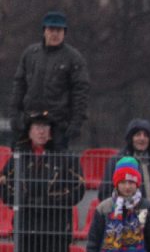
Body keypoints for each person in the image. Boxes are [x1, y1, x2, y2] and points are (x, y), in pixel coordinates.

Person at [0, 111, 85, 252]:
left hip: (56, 229)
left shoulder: (65, 157)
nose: (41, 131)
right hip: (27, 229)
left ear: (51, 132)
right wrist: (25, 201)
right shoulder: (19, 156)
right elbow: (4, 185)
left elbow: (78, 189)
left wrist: (49, 201)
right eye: (37, 127)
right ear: (29, 132)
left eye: (45, 128)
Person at [9, 11, 90, 150]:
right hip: (29, 119)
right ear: (44, 31)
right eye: (51, 29)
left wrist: (76, 122)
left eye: (59, 30)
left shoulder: (73, 58)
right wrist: (14, 115)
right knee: (20, 159)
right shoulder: (30, 54)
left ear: (64, 33)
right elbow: (19, 85)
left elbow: (81, 92)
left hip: (58, 122)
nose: (55, 34)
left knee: (56, 163)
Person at [98, 119, 150, 203]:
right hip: (126, 213)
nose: (142, 138)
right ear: (131, 138)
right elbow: (104, 192)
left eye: (146, 135)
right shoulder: (117, 160)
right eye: (138, 135)